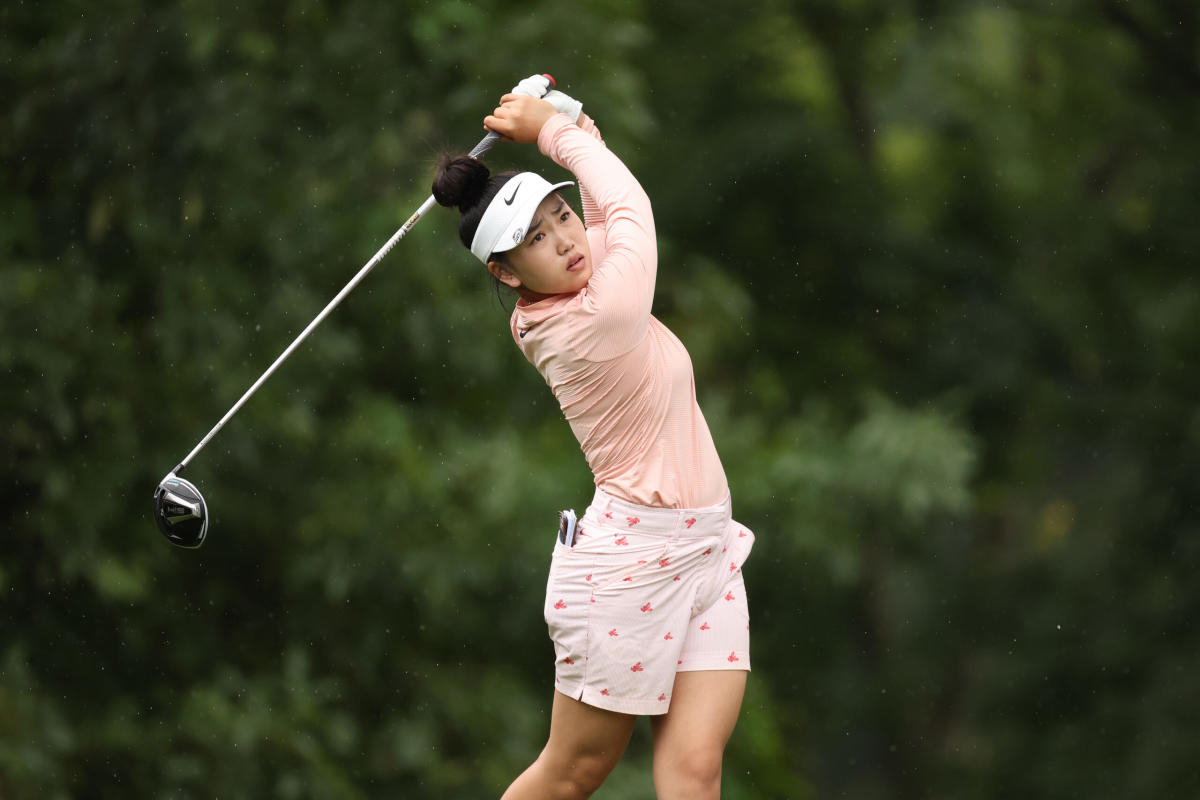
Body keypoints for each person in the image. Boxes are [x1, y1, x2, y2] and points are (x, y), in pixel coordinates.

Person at [432, 75, 755, 800]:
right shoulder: (590, 321)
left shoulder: (578, 275)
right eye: (535, 241)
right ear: (507, 274)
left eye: (560, 216)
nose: (565, 241)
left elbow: (604, 191)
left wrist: (567, 119)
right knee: (574, 772)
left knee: (695, 771)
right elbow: (631, 207)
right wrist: (550, 131)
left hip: (708, 547)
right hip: (627, 568)